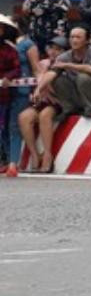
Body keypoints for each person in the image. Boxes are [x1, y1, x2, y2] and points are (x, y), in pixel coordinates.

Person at [17, 36, 66, 172]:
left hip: (59, 101)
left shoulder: (65, 64)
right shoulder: (43, 63)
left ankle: (48, 156)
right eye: (51, 48)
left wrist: (44, 82)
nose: (53, 52)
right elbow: (36, 80)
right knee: (24, 117)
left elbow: (56, 88)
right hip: (42, 100)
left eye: (58, 49)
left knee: (45, 115)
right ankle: (35, 154)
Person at [2, 17, 38, 177]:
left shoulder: (27, 44)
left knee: (14, 126)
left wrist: (37, 89)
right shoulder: (8, 45)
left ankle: (13, 163)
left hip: (21, 90)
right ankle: (6, 160)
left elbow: (35, 69)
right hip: (4, 93)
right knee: (3, 128)